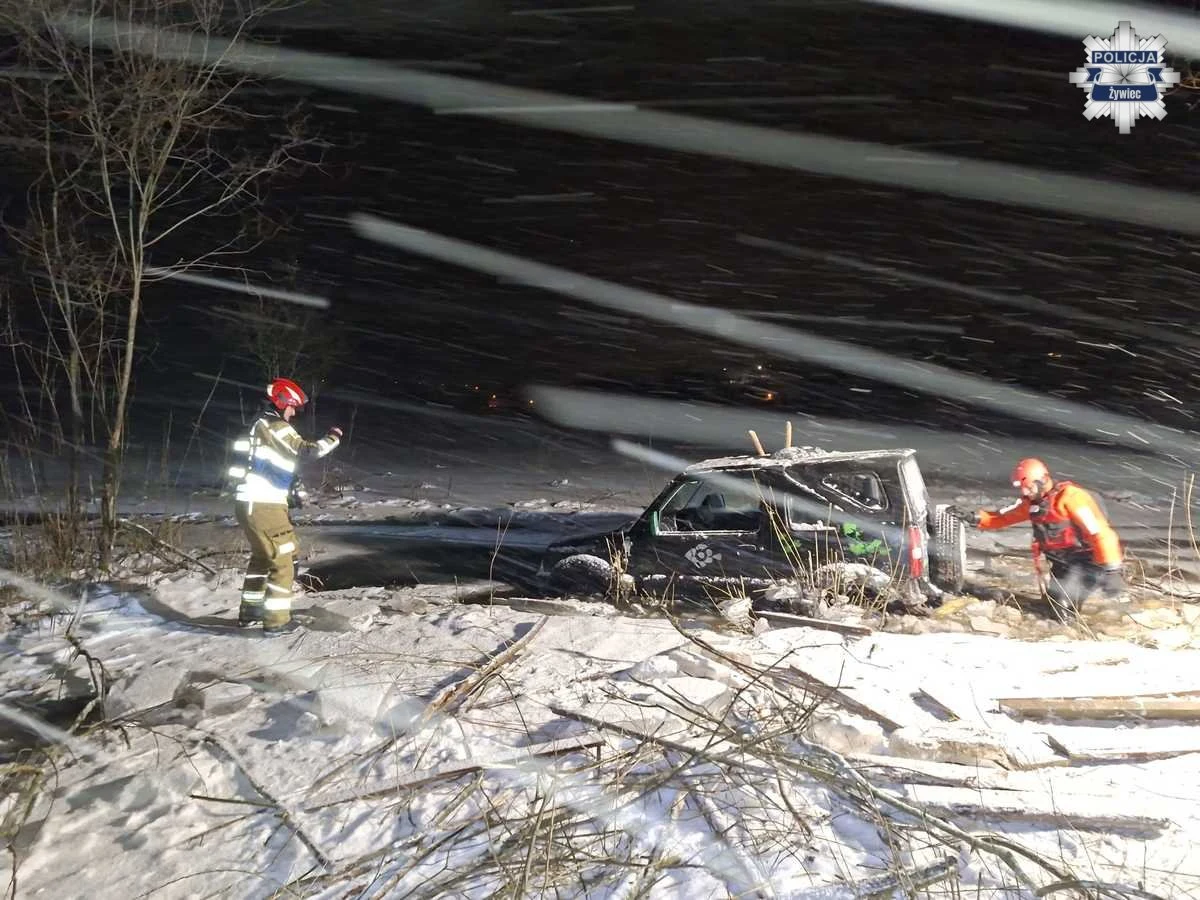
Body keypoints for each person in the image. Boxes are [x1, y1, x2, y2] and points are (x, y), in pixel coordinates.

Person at [227, 377, 342, 634]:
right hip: (262, 503)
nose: (293, 413)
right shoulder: (274, 426)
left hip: (254, 502)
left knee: (262, 558)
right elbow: (307, 451)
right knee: (284, 558)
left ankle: (251, 613)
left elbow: (269, 466)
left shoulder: (259, 427)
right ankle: (277, 622)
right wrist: (333, 438)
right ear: (281, 403)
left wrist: (290, 490)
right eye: (292, 407)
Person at [948, 458, 1124, 617]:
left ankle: (1069, 640)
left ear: (1043, 480)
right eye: (1022, 488)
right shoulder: (1034, 503)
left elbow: (1101, 533)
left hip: (1088, 562)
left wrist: (1112, 571)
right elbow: (1003, 517)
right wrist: (974, 518)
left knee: (1062, 605)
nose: (1026, 492)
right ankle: (1068, 628)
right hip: (1063, 563)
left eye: (1029, 487)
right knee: (1053, 605)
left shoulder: (1072, 498)